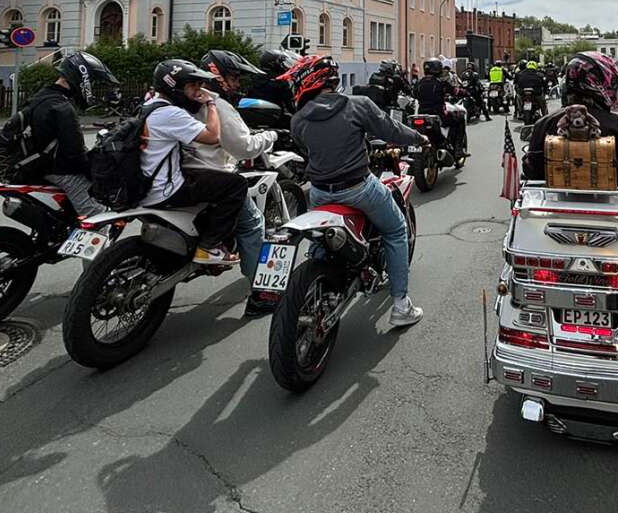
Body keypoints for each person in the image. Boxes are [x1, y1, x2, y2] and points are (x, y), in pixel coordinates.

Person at [283, 54, 428, 326]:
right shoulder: (357, 105)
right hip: (358, 188)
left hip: (320, 193)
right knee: (396, 230)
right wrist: (419, 137)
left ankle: (320, 274)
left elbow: (308, 150)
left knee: (319, 241)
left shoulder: (298, 119)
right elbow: (392, 130)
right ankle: (400, 306)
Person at [142, 59, 250, 265]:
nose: (198, 90)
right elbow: (212, 136)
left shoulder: (148, 106)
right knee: (235, 184)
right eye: (192, 86)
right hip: (165, 190)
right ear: (174, 86)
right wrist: (211, 103)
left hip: (145, 185)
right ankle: (209, 246)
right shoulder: (171, 113)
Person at [188, 50, 279, 283]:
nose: (237, 84)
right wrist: (270, 136)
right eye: (234, 78)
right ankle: (260, 289)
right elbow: (244, 148)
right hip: (210, 174)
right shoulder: (217, 105)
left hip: (178, 173)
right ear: (218, 76)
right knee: (253, 224)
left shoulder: (187, 98)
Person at [523, 52, 618, 189]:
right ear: (600, 83)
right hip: (608, 205)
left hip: (554, 205)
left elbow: (531, 171)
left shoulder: (544, 123)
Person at [28, 51, 121, 217]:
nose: (93, 87)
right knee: (99, 217)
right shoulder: (63, 107)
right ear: (82, 79)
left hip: (35, 166)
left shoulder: (42, 96)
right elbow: (75, 154)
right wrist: (97, 172)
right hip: (57, 170)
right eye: (92, 81)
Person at [415, 59, 466, 156]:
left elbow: (414, 94)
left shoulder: (419, 83)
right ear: (437, 69)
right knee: (460, 119)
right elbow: (456, 91)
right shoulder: (441, 83)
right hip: (439, 115)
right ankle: (458, 149)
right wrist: (465, 93)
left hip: (422, 115)